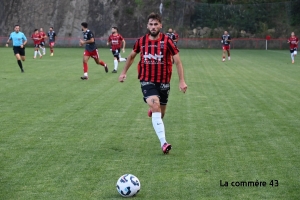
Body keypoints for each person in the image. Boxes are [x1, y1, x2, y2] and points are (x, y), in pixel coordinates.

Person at [118, 13, 188, 154]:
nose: (153, 27)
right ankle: (164, 143)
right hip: (146, 80)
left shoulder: (168, 42)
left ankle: (153, 111)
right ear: (147, 25)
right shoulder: (141, 41)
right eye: (151, 24)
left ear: (160, 26)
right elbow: (131, 56)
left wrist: (181, 81)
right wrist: (123, 72)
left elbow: (178, 62)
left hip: (163, 82)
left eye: (156, 24)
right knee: (155, 105)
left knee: (160, 114)